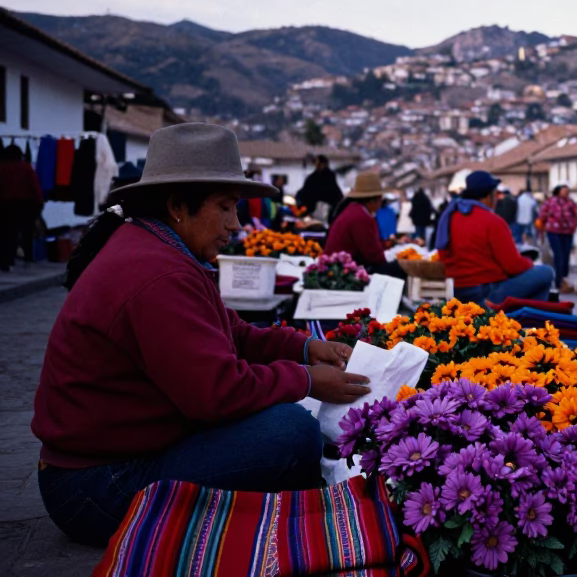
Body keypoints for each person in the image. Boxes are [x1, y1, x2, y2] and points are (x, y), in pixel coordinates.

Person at [31, 123, 370, 547]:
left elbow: (235, 334)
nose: (236, 223)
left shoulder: (160, 250)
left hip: (108, 464)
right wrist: (305, 379)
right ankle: (296, 533)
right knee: (290, 432)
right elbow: (215, 394)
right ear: (177, 206)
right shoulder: (159, 272)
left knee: (283, 420)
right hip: (94, 487)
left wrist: (305, 346)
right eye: (225, 207)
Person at [435, 171, 555, 304]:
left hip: (457, 290)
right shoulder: (492, 221)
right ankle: (526, 319)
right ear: (487, 196)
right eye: (496, 194)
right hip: (485, 292)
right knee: (546, 272)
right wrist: (529, 263)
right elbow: (512, 266)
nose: (498, 198)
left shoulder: (450, 216)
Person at [324, 171, 406, 278]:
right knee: (398, 269)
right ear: (372, 201)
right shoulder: (361, 217)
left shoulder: (355, 210)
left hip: (340, 264)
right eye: (380, 199)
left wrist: (389, 244)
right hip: (340, 270)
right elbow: (374, 257)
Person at [0, 143, 43, 271]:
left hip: (4, 205)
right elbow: (34, 186)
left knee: (6, 234)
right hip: (25, 205)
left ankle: (6, 261)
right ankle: (28, 260)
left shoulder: (1, 167)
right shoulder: (26, 167)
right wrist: (39, 203)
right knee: (26, 233)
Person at [539, 185, 577, 289]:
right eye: (564, 190)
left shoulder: (571, 202)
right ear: (558, 191)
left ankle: (564, 277)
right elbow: (542, 216)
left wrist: (575, 226)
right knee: (559, 255)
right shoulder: (550, 202)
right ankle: (558, 280)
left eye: (567, 190)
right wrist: (542, 228)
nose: (566, 192)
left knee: (566, 255)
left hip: (567, 232)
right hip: (554, 232)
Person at [295, 155, 344, 223]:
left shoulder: (329, 177)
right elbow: (305, 191)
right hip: (312, 211)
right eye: (316, 163)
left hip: (327, 211)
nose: (318, 165)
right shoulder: (312, 178)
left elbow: (332, 193)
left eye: (320, 163)